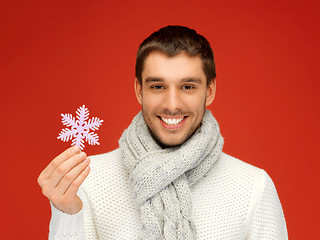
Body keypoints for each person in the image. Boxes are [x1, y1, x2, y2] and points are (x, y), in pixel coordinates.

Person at [38, 25, 288, 239]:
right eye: (157, 86)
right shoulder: (88, 179)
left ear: (209, 91)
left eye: (188, 86)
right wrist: (66, 215)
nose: (171, 104)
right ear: (139, 90)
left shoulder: (253, 185)